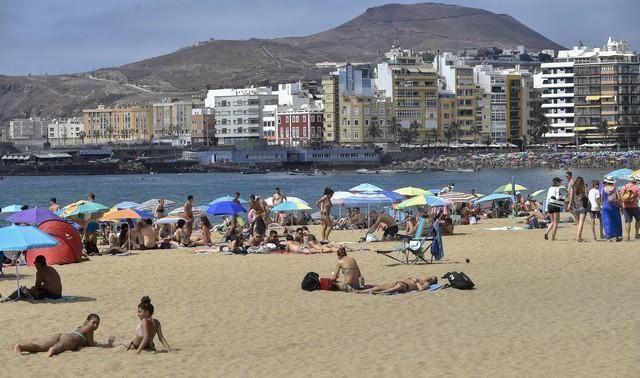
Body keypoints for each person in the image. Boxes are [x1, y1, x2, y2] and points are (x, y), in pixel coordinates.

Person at [15, 314, 112, 357]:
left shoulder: (81, 326)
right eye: (93, 322)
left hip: (63, 335)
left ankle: (21, 347)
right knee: (57, 348)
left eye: (97, 324)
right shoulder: (89, 329)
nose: (95, 325)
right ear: (87, 322)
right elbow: (91, 345)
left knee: (40, 347)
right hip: (71, 339)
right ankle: (52, 351)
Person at [357, 276, 438, 295]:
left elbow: (420, 290)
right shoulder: (421, 279)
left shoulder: (427, 284)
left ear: (433, 282)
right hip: (399, 282)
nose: (431, 278)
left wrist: (416, 281)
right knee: (378, 287)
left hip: (405, 286)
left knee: (395, 288)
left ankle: (381, 293)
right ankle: (360, 292)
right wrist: (412, 278)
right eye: (432, 276)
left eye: (433, 279)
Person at [601, 176, 623, 242]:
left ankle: (608, 236)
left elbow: (602, 198)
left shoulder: (603, 188)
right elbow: (619, 198)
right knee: (616, 221)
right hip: (614, 207)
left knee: (607, 221)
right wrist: (621, 206)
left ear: (607, 182)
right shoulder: (615, 188)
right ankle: (617, 236)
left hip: (605, 206)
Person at [620, 175, 640, 241]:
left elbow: (621, 196)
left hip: (625, 206)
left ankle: (628, 236)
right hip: (634, 206)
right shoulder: (636, 187)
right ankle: (637, 234)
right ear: (635, 181)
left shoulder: (625, 186)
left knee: (627, 221)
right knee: (638, 220)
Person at [568, 176, 588, 242]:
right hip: (582, 206)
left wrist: (570, 204)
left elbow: (571, 196)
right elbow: (586, 196)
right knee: (581, 223)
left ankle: (579, 236)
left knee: (578, 223)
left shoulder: (573, 187)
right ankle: (578, 237)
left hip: (575, 206)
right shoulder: (584, 187)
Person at [544, 177, 564, 241]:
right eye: (560, 182)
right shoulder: (558, 189)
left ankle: (546, 232)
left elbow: (547, 198)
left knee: (552, 222)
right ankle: (553, 237)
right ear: (557, 182)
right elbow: (558, 197)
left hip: (549, 205)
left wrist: (546, 209)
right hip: (555, 205)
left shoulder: (550, 188)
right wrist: (563, 195)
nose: (560, 183)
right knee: (556, 223)